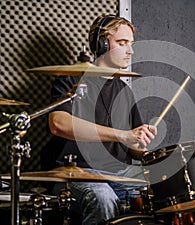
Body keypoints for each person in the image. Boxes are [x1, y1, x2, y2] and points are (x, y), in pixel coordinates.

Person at [41, 15, 157, 224]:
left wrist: (153, 153)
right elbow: (58, 123)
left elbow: (133, 146)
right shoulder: (71, 80)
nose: (130, 51)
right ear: (100, 45)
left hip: (117, 171)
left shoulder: (124, 91)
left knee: (159, 187)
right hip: (74, 172)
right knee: (102, 197)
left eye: (131, 44)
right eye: (122, 43)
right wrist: (122, 134)